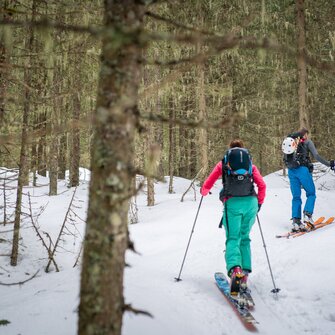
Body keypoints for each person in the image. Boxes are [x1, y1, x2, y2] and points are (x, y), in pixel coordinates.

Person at [200, 139, 266, 297]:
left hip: (232, 203)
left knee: (233, 238)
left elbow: (209, 182)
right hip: (251, 203)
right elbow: (262, 185)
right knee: (245, 237)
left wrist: (203, 191)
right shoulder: (250, 164)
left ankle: (235, 271)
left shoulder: (224, 163)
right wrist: (259, 203)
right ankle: (244, 274)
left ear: (230, 150)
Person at [282, 128, 335, 232]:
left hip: (291, 171)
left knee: (296, 196)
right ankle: (307, 214)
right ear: (304, 135)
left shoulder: (289, 142)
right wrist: (329, 164)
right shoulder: (307, 142)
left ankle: (296, 221)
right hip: (303, 170)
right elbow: (316, 156)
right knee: (311, 193)